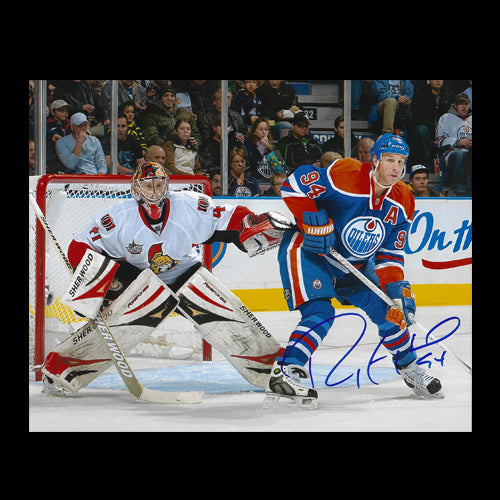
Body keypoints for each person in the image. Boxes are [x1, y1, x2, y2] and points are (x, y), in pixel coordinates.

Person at [40, 161, 291, 395]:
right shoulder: (118, 218)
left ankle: (273, 369)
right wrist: (96, 287)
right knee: (120, 324)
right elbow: (79, 247)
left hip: (186, 274)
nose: (154, 191)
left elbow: (230, 215)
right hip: (141, 279)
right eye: (148, 185)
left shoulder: (189, 204)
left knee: (224, 311)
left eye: (159, 185)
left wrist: (248, 224)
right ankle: (63, 369)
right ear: (137, 188)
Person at [265, 134, 442, 408]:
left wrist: (397, 292)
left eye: (401, 162)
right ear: (375, 160)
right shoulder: (346, 174)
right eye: (389, 160)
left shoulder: (404, 200)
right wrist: (310, 218)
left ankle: (410, 370)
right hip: (309, 251)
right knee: (321, 312)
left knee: (390, 314)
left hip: (354, 265)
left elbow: (390, 254)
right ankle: (287, 369)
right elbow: (294, 184)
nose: (395, 167)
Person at [407, 80, 455, 168]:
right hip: (427, 128)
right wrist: (434, 127)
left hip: (444, 129)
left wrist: (441, 127)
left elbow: (452, 115)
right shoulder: (420, 93)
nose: (437, 81)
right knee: (420, 130)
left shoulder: (449, 95)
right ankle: (425, 165)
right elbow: (417, 116)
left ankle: (449, 168)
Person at [435, 93, 472, 196]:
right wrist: (457, 142)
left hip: (470, 153)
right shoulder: (445, 118)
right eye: (461, 104)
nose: (464, 106)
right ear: (455, 105)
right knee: (459, 155)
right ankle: (459, 191)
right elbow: (438, 141)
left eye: (466, 104)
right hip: (453, 153)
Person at [244, 117, 275, 181]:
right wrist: (262, 148)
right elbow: (252, 166)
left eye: (266, 129)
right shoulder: (247, 145)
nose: (264, 132)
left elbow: (279, 168)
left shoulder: (273, 147)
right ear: (254, 132)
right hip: (253, 179)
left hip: (270, 180)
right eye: (261, 129)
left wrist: (268, 150)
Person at [46, 99, 71, 173]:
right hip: (54, 159)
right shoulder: (47, 124)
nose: (64, 113)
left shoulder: (70, 124)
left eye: (66, 110)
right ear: (53, 112)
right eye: (61, 110)